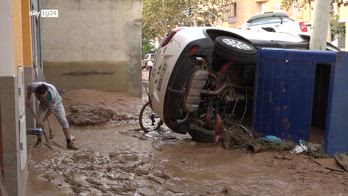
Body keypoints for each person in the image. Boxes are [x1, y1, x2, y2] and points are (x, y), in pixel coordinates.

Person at [26, 81, 78, 150]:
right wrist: (28, 99)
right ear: (37, 93)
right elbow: (29, 87)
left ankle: (69, 142)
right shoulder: (34, 86)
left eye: (44, 97)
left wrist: (43, 120)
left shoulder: (53, 94)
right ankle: (39, 140)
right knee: (38, 122)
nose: (42, 99)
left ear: (47, 92)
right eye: (40, 97)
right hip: (42, 105)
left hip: (57, 104)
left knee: (64, 121)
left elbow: (51, 110)